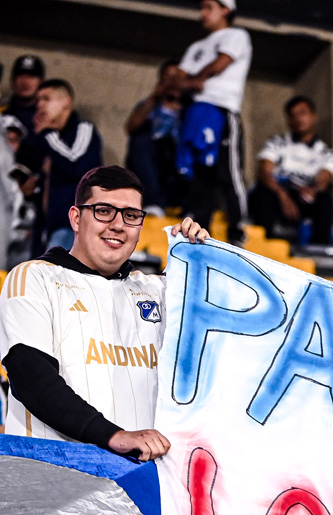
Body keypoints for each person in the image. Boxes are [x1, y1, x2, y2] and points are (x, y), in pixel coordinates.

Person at [0, 165, 208, 461]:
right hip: (52, 475)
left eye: (131, 215)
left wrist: (202, 258)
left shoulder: (161, 291)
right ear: (76, 218)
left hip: (142, 478)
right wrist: (113, 436)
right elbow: (31, 377)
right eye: (104, 211)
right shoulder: (34, 277)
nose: (118, 225)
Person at [173, 0, 252, 244]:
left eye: (209, 7)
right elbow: (178, 79)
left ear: (226, 9)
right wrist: (191, 83)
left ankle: (237, 230)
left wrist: (196, 80)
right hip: (195, 111)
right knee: (199, 174)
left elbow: (220, 63)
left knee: (229, 172)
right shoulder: (196, 46)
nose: (203, 13)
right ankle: (200, 232)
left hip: (222, 110)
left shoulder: (237, 35)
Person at [11, 79, 103, 253]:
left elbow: (74, 164)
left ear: (66, 102)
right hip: (44, 229)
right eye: (38, 100)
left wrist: (47, 133)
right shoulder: (47, 140)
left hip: (70, 227)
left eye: (46, 99)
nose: (40, 105)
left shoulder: (83, 128)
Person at [248, 95, 333, 245]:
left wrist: (312, 191)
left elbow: (324, 179)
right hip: (278, 194)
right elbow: (264, 173)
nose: (298, 119)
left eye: (302, 113)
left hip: (303, 198)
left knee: (324, 200)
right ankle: (263, 245)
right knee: (263, 193)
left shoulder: (326, 152)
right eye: (292, 115)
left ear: (314, 117)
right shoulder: (276, 143)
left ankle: (319, 250)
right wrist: (283, 196)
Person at [125, 61, 185, 216]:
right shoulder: (150, 105)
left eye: (177, 78)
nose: (172, 83)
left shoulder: (190, 108)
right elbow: (130, 127)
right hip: (152, 163)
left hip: (178, 164)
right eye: (168, 78)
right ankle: (153, 203)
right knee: (140, 141)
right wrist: (154, 97)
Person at [0, 54, 45, 136]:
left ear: (41, 82)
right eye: (20, 76)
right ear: (12, 80)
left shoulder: (47, 115)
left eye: (31, 76)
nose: (25, 82)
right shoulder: (2, 112)